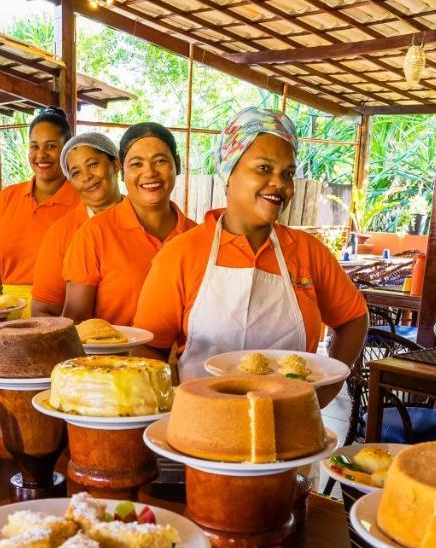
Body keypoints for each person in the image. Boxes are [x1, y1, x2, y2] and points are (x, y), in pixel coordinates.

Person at [133, 107, 368, 382]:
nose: (279, 183)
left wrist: (327, 386)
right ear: (229, 171)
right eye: (264, 168)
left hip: (290, 420)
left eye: (288, 174)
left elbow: (353, 318)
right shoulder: (181, 254)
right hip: (202, 419)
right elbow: (148, 348)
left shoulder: (308, 252)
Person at [61, 123, 196, 325]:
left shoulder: (196, 236)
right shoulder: (94, 233)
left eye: (160, 161)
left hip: (186, 357)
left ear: (176, 164)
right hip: (114, 357)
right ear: (121, 170)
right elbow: (76, 323)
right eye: (136, 164)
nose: (149, 172)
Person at [0, 107, 78, 316]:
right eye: (34, 146)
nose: (41, 155)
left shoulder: (82, 201)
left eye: (51, 146)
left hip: (60, 315)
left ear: (67, 150)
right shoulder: (7, 197)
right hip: (4, 313)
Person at [30, 132, 124, 317]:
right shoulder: (62, 232)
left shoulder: (142, 218)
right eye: (76, 173)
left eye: (93, 164)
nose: (86, 177)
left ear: (115, 164)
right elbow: (43, 310)